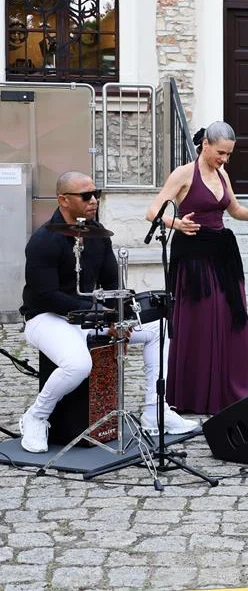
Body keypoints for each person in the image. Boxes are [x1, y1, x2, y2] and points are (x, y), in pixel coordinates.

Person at [18, 171, 198, 453]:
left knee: (157, 329)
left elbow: (112, 283)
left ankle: (155, 412)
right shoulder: (43, 241)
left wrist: (118, 316)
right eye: (86, 196)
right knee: (78, 364)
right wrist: (100, 313)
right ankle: (36, 416)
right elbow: (46, 296)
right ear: (63, 200)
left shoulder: (97, 235)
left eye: (97, 193)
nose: (94, 200)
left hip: (89, 316)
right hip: (45, 318)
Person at [145, 121, 248, 414]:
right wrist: (175, 222)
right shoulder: (182, 174)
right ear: (205, 144)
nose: (225, 159)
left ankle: (228, 391)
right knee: (201, 323)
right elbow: (152, 211)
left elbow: (235, 211)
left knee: (230, 321)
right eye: (221, 153)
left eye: (229, 154)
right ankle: (194, 394)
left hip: (222, 254)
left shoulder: (222, 175)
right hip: (193, 258)